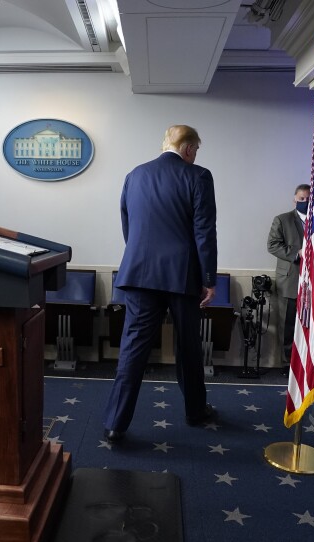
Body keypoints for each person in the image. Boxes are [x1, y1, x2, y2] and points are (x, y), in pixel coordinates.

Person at [103, 125, 219, 443]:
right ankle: (195, 412)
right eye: (196, 149)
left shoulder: (135, 175)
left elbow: (129, 226)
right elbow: (204, 231)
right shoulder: (198, 176)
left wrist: (143, 260)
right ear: (188, 147)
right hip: (182, 275)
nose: (195, 155)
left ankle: (115, 423)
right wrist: (209, 278)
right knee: (188, 347)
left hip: (139, 273)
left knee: (133, 347)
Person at [267, 184, 310, 375]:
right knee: (287, 325)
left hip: (312, 283)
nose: (305, 202)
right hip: (289, 280)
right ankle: (287, 365)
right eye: (301, 199)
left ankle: (305, 364)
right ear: (294, 199)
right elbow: (272, 245)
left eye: (308, 199)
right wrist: (296, 253)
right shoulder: (282, 220)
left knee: (309, 325)